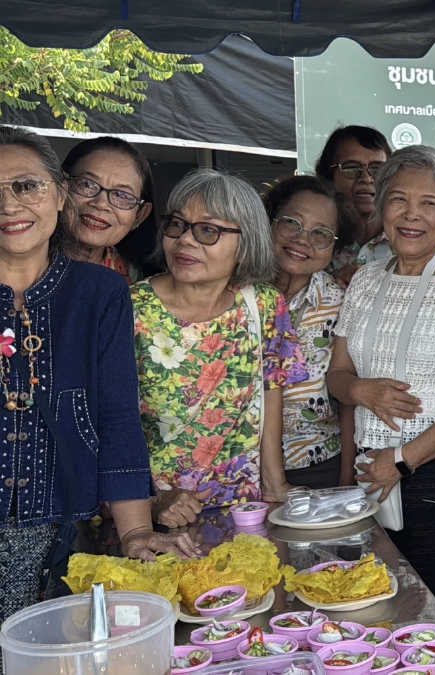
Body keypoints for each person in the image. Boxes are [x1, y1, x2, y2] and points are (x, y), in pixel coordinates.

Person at [0, 126, 198, 629]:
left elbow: (115, 415)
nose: (10, 205)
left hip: (58, 529)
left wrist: (133, 533)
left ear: (57, 194)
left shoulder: (100, 293)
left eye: (27, 186)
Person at [327, 145, 435, 653]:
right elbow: (338, 376)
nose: (411, 215)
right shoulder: (364, 281)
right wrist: (361, 389)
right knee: (378, 613)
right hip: (371, 473)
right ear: (381, 207)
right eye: (398, 200)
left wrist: (401, 462)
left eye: (428, 203)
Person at [134, 169, 307, 527]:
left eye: (208, 230)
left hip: (245, 509)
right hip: (153, 515)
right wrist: (150, 500)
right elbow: (108, 421)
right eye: (177, 225)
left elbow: (270, 391)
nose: (186, 241)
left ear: (244, 246)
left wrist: (275, 487)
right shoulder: (129, 308)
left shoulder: (263, 305)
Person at [265, 176, 360, 489]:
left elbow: (348, 399)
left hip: (317, 465)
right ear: (269, 223)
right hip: (238, 470)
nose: (302, 240)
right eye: (292, 223)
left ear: (334, 248)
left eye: (321, 233)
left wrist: (347, 479)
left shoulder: (342, 304)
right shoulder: (231, 293)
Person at [60, 137, 155, 284]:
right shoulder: (21, 261)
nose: (101, 203)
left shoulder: (141, 287)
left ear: (139, 216)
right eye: (87, 184)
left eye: (122, 195)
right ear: (60, 190)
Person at [319, 126, 393, 283]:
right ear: (329, 176)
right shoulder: (314, 237)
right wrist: (327, 283)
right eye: (351, 167)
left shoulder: (412, 237)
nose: (366, 178)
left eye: (377, 168)